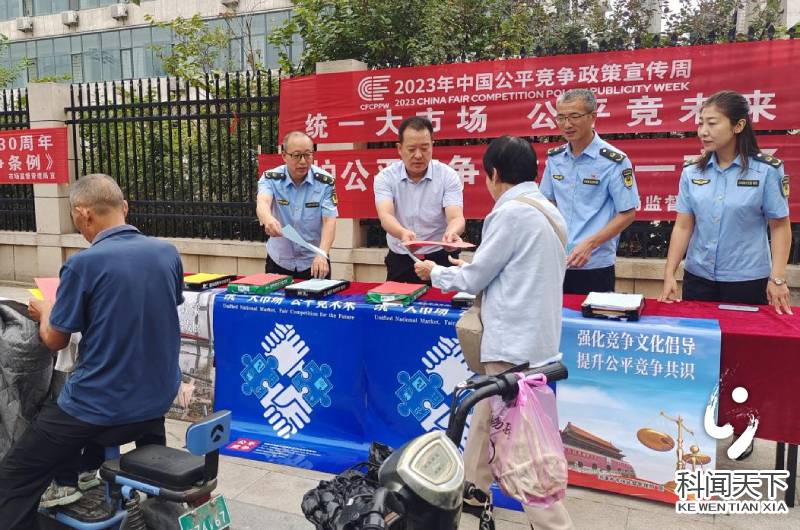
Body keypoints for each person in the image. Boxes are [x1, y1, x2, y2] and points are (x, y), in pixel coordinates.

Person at [0, 174, 184, 529]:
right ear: (124, 207)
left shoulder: (83, 264)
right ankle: (85, 478)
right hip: (157, 400)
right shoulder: (167, 253)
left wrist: (48, 310)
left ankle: (62, 488)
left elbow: (55, 340)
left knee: (15, 475)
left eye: (75, 218)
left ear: (84, 214)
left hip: (100, 406)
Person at [415, 136, 574, 529]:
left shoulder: (510, 213)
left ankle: (554, 524)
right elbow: (514, 268)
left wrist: (435, 272)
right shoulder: (547, 211)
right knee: (485, 416)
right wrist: (470, 264)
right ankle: (472, 490)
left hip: (511, 345)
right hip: (537, 341)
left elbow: (475, 278)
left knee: (522, 448)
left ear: (495, 174)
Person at [659, 90, 793, 315]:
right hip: (698, 278)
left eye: (712, 123)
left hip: (746, 281)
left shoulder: (766, 171)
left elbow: (779, 226)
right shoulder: (692, 172)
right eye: (700, 123)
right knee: (699, 335)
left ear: (738, 126)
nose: (703, 131)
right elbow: (683, 225)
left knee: (743, 337)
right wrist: (669, 273)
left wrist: (777, 278)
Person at [540, 88, 640, 294]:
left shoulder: (613, 161)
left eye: (574, 116)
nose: (567, 124)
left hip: (594, 264)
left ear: (592, 117)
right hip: (557, 261)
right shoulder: (555, 158)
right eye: (561, 117)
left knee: (590, 315)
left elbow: (628, 213)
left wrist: (590, 244)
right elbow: (547, 203)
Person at [374, 116, 466, 283]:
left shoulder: (448, 176)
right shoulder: (386, 177)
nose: (418, 155)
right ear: (399, 148)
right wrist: (402, 233)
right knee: (396, 299)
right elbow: (386, 215)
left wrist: (452, 233)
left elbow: (456, 217)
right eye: (411, 149)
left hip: (440, 257)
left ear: (432, 146)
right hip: (402, 257)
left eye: (424, 148)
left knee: (443, 300)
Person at [257, 131, 338, 280]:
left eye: (308, 155)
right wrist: (268, 219)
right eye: (296, 155)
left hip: (314, 261)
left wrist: (322, 253)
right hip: (279, 261)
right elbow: (263, 202)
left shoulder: (325, 182)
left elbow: (329, 221)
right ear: (284, 155)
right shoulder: (271, 179)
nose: (303, 161)